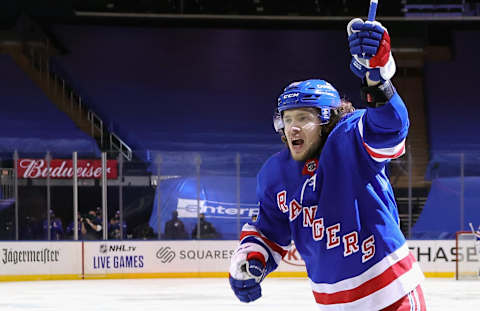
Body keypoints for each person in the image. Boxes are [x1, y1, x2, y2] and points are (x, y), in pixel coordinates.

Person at [228, 18, 426, 310]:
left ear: (329, 120)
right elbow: (269, 230)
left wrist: (378, 80)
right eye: (288, 119)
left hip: (390, 295)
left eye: (304, 117)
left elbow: (389, 130)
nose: (292, 128)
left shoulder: (350, 140)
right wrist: (250, 259)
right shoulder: (275, 173)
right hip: (331, 303)